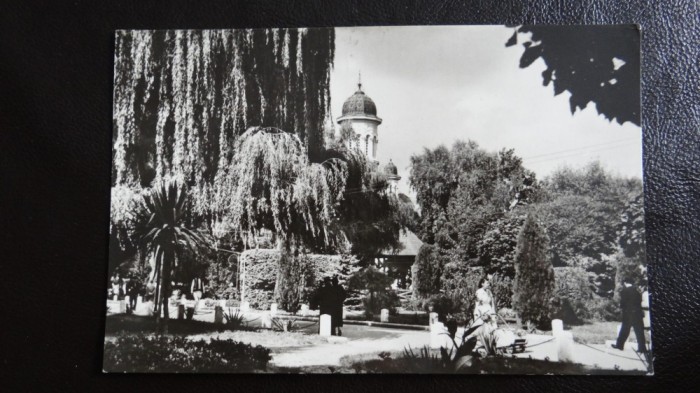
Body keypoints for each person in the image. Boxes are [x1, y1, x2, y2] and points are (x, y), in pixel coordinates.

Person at [611, 277, 648, 353]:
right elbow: (639, 301)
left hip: (628, 314)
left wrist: (622, 307)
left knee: (624, 330)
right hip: (638, 314)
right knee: (639, 332)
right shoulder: (637, 291)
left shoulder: (625, 291)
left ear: (625, 283)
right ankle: (642, 348)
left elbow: (623, 303)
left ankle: (619, 345)